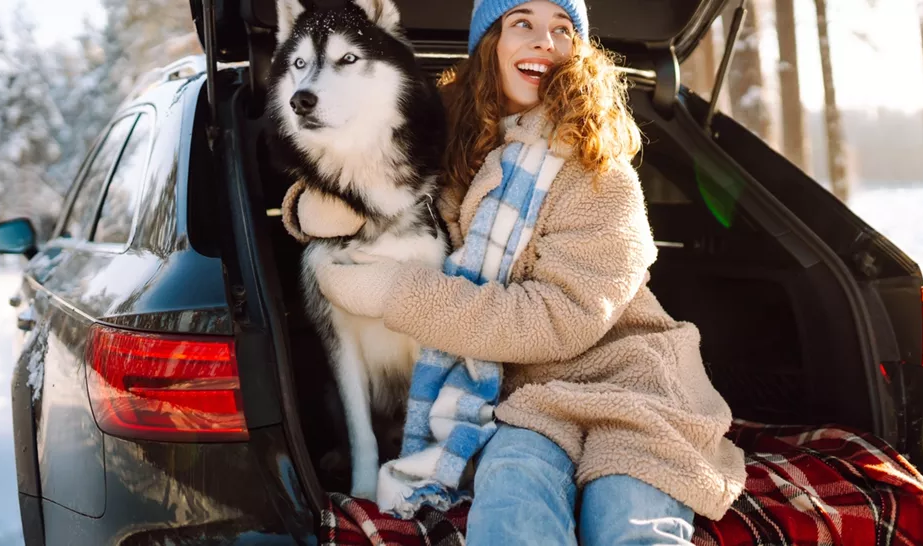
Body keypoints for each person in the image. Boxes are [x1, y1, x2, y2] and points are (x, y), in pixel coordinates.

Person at [282, 1, 746, 544]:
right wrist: (306, 207)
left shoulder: (603, 173)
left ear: (578, 52)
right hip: (523, 403)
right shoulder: (449, 141)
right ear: (490, 45)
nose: (543, 40)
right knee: (511, 522)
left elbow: (556, 320)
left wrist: (398, 293)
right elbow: (363, 155)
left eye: (561, 29)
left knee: (631, 528)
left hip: (630, 390)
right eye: (521, 22)